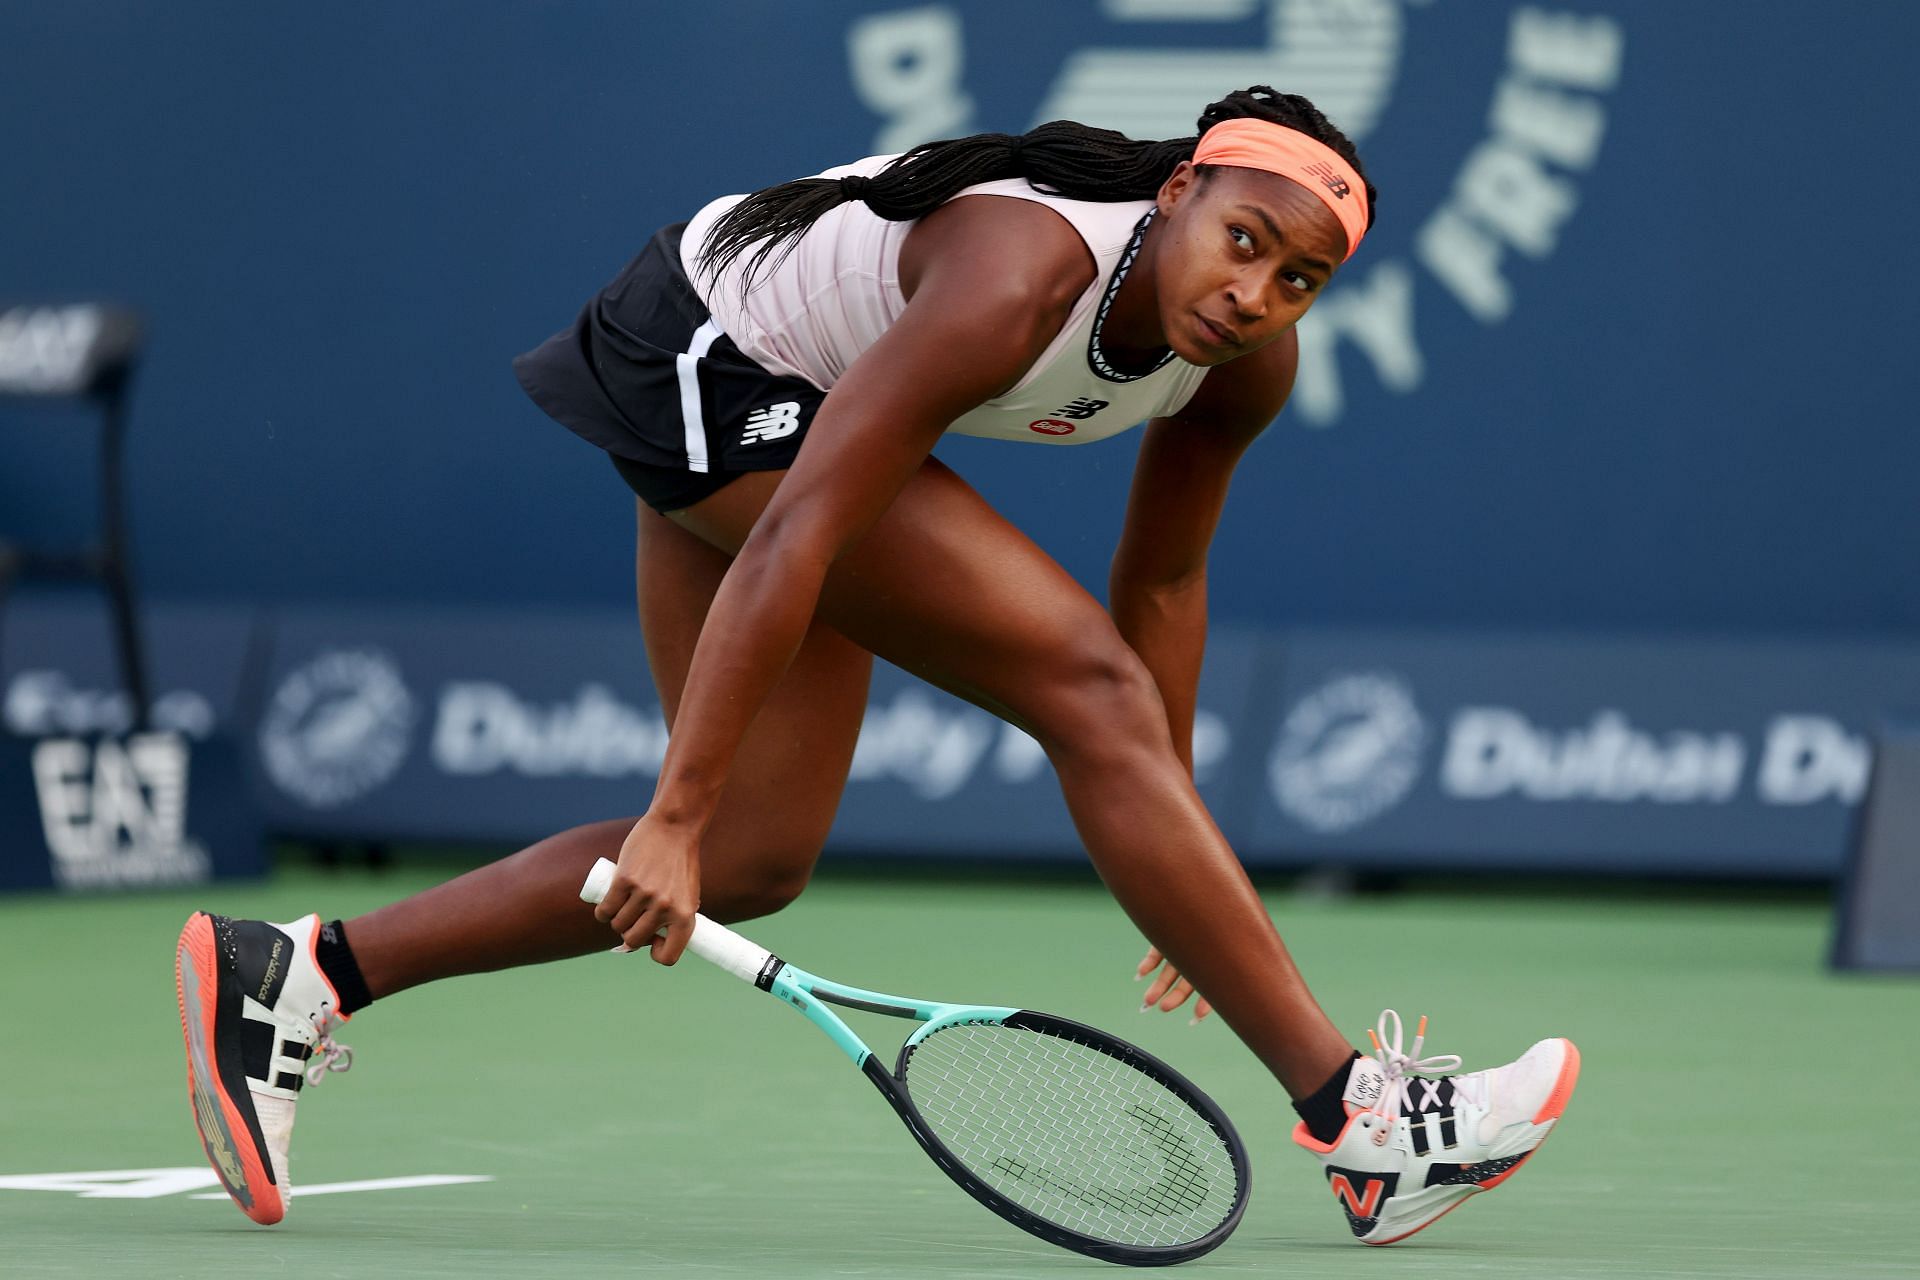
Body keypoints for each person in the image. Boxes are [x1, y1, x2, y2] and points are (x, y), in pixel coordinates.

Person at [174, 85, 1579, 1246]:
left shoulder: (1242, 367)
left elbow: (1162, 580)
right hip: (701, 358)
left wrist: (1182, 856)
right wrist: (663, 812)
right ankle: (1362, 1121)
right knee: (1068, 691)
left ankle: (297, 973)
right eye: (1246, 240)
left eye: (1298, 280)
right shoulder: (1022, 272)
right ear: (1178, 194)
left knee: (752, 857)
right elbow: (802, 541)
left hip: (770, 392)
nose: (1257, 292)